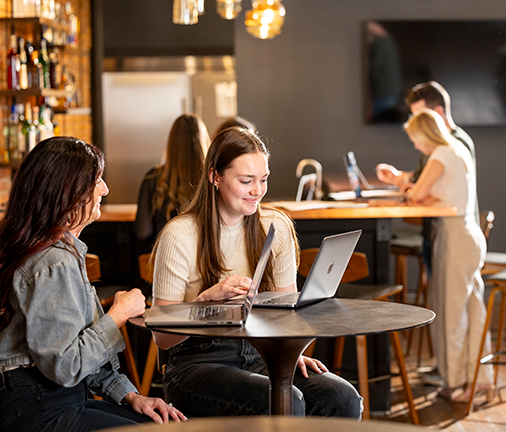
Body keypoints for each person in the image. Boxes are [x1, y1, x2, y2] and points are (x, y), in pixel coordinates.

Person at [151, 127, 363, 418]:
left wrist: (291, 353)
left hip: (263, 352)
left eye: (263, 179)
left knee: (343, 398)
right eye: (245, 181)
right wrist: (204, 303)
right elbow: (162, 337)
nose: (257, 191)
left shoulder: (276, 225)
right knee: (287, 403)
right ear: (215, 177)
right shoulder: (180, 234)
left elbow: (288, 313)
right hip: (197, 362)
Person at [0, 137, 186, 431]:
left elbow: (76, 352)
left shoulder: (60, 252)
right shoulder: (53, 261)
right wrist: (118, 315)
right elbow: (65, 365)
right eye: (97, 180)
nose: (105, 189)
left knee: (160, 423)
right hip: (38, 407)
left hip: (52, 398)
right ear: (68, 191)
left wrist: (130, 396)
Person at [402, 109, 493, 402]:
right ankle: (479, 380)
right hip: (468, 235)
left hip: (454, 238)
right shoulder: (456, 150)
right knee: (472, 311)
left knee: (453, 313)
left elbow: (416, 195)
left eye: (415, 138)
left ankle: (455, 382)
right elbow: (439, 194)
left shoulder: (440, 153)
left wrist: (414, 191)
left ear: (425, 133)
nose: (416, 145)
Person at [376, 81, 478, 276]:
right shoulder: (441, 146)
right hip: (440, 228)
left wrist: (415, 191)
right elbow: (423, 178)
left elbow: (423, 190)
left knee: (450, 300)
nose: (416, 122)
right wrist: (399, 178)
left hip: (453, 229)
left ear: (437, 113)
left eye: (420, 116)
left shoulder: (450, 146)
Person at [134, 114, 211, 252]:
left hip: (164, 257)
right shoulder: (213, 179)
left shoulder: (152, 178)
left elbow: (142, 232)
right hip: (203, 261)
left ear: (172, 143)